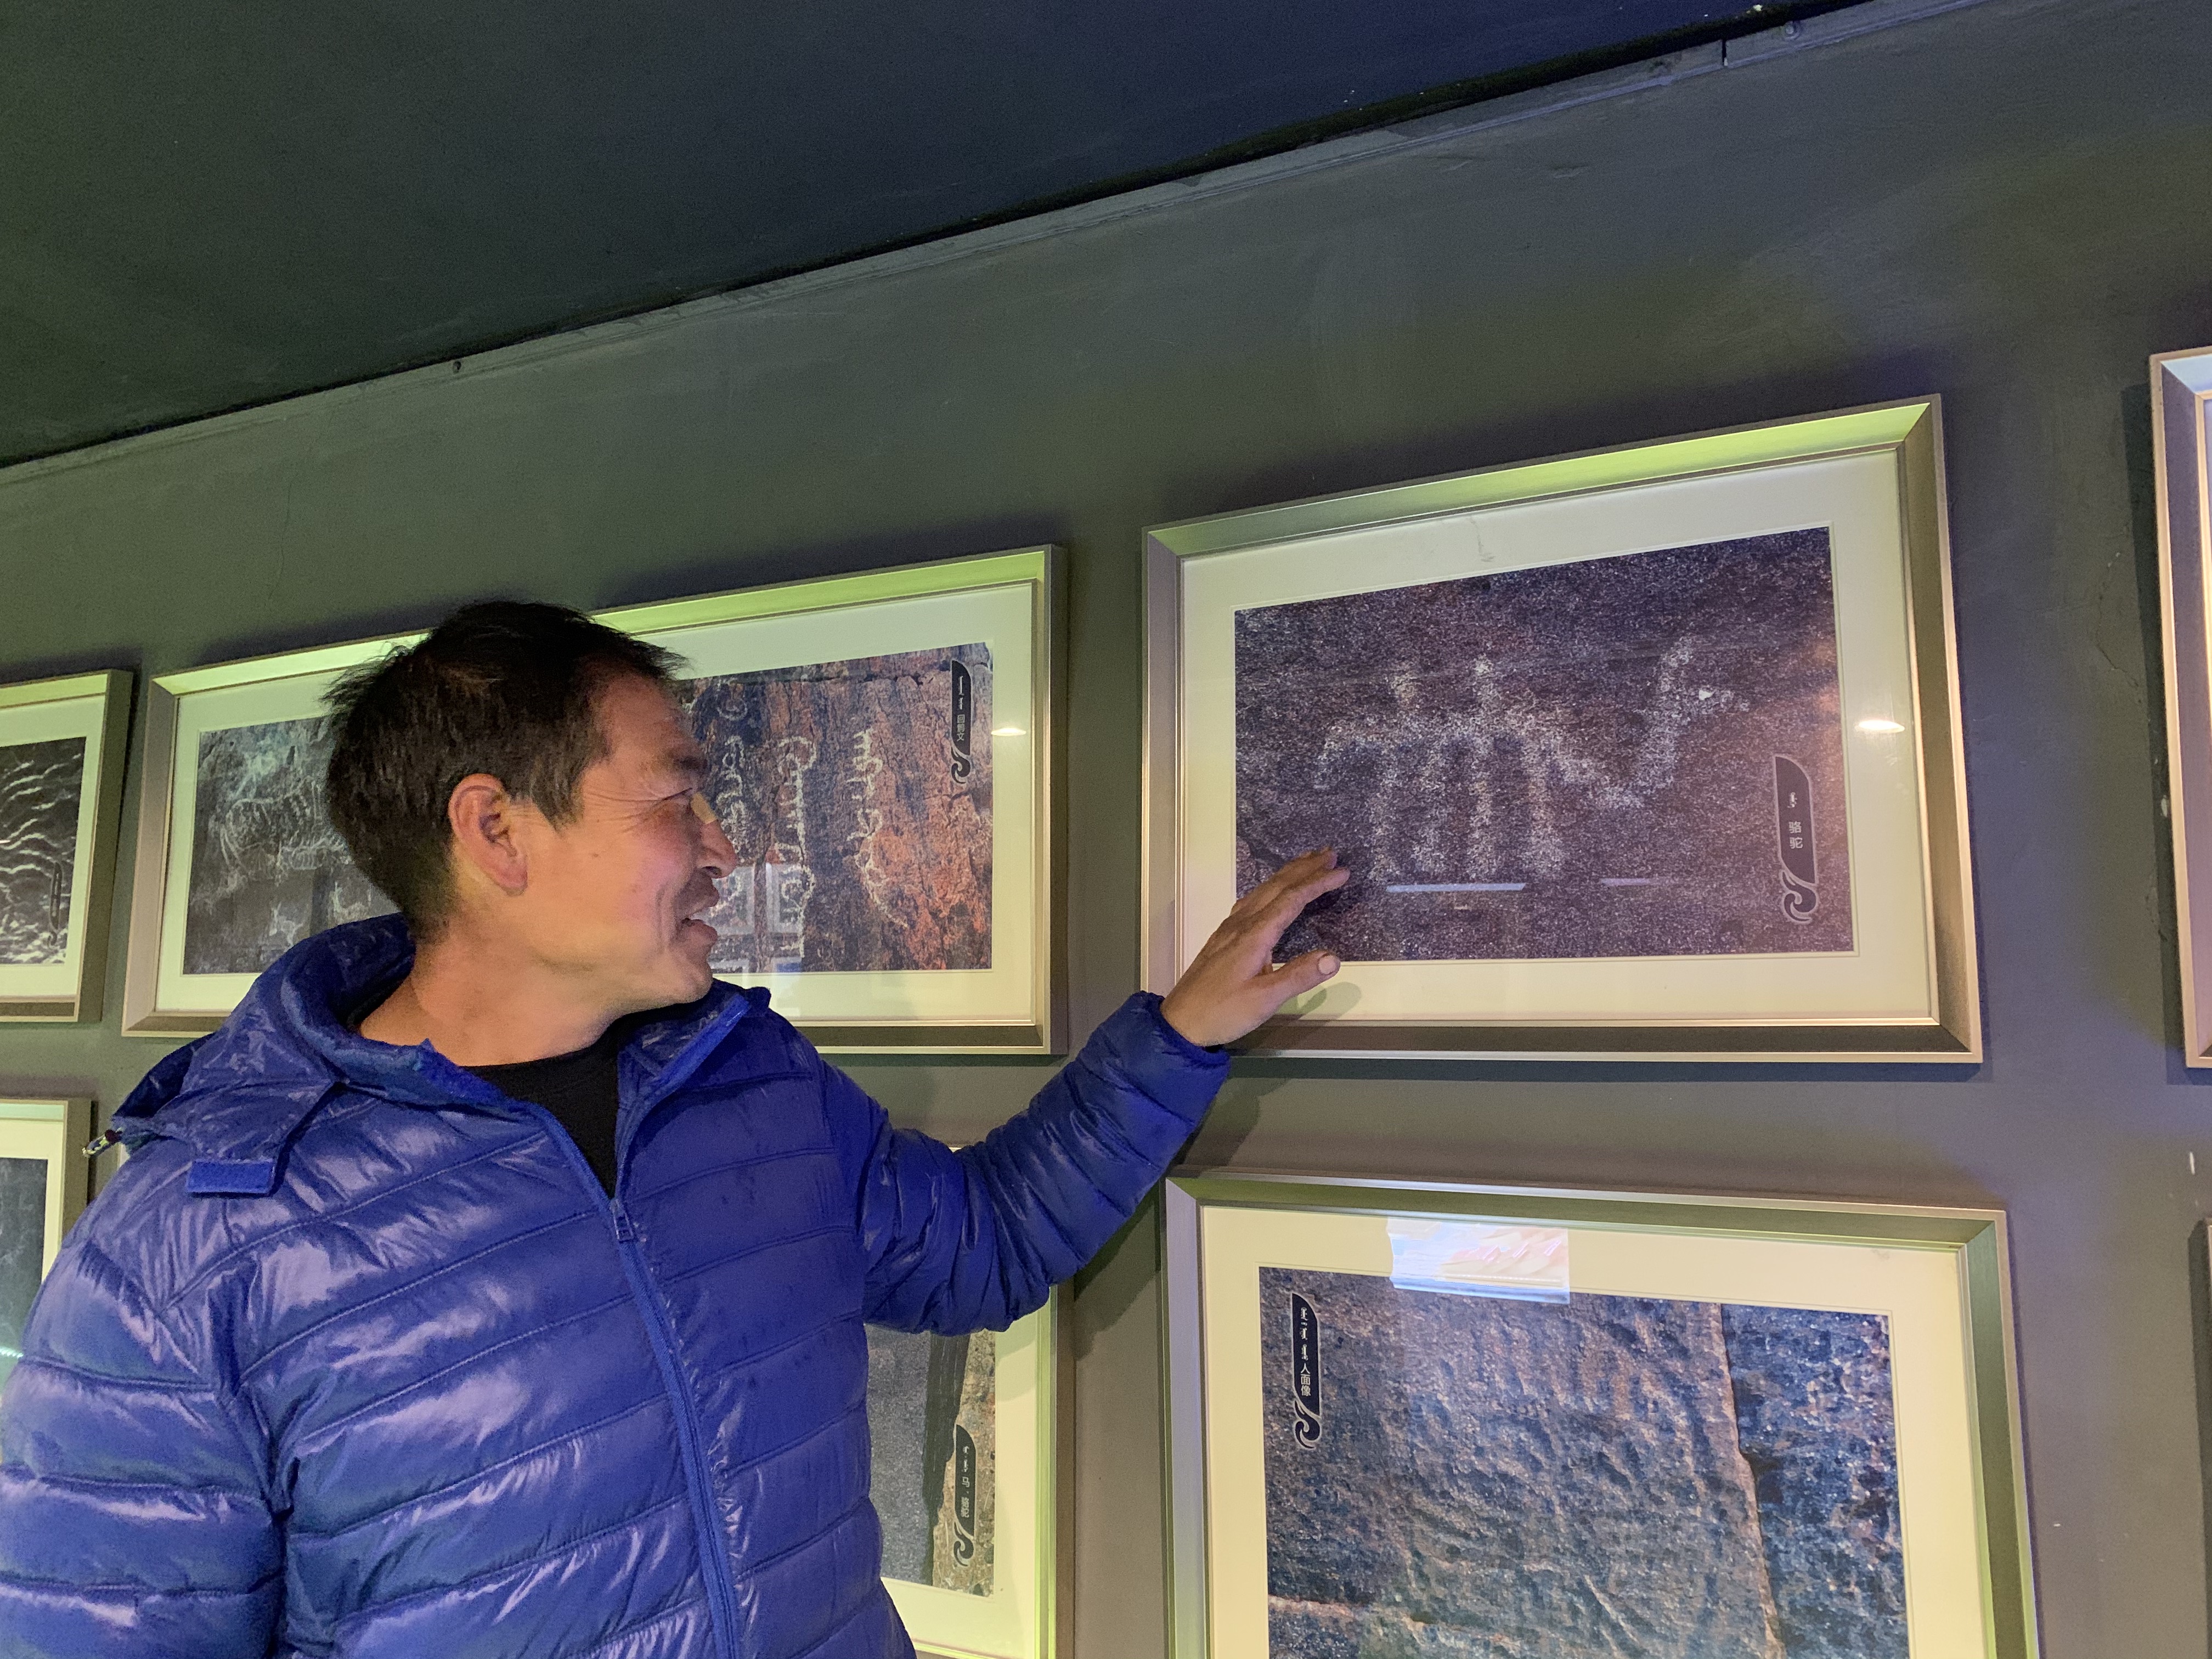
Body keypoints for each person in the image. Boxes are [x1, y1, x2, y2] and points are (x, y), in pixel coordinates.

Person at [0, 601, 1346, 1659]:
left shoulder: (750, 1083)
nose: (722, 847)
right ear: (496, 831)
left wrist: (1178, 1036)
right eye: (674, 799)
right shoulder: (195, 1247)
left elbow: (980, 1244)